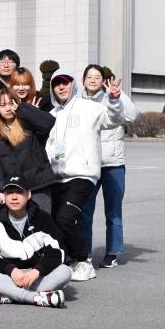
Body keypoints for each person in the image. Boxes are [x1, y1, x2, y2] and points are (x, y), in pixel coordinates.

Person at [46, 69, 125, 282]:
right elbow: (49, 147)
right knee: (57, 222)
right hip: (58, 177)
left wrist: (114, 100)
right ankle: (68, 260)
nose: (61, 87)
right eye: (57, 83)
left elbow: (114, 119)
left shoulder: (89, 107)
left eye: (65, 82)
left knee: (65, 218)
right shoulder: (52, 115)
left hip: (83, 174)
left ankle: (85, 261)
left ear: (73, 85)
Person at [0, 175, 69, 307]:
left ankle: (7, 295)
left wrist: (37, 271)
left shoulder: (43, 218)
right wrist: (11, 270)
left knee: (65, 271)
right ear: (4, 196)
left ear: (28, 194)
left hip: (35, 276)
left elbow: (58, 251)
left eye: (19, 192)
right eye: (10, 193)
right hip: (6, 275)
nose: (14, 197)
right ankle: (33, 297)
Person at [79, 64, 140, 269]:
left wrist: (118, 95)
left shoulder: (112, 97)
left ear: (103, 81)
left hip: (113, 164)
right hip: (88, 165)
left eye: (97, 77)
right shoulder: (78, 102)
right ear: (83, 80)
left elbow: (133, 115)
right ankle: (84, 252)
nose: (93, 80)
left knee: (113, 212)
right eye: (89, 77)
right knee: (84, 211)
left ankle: (112, 252)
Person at [0, 88, 57, 215]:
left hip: (38, 186)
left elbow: (49, 123)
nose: (8, 108)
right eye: (2, 105)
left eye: (11, 103)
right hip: (14, 190)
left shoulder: (28, 123)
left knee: (42, 223)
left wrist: (21, 109)